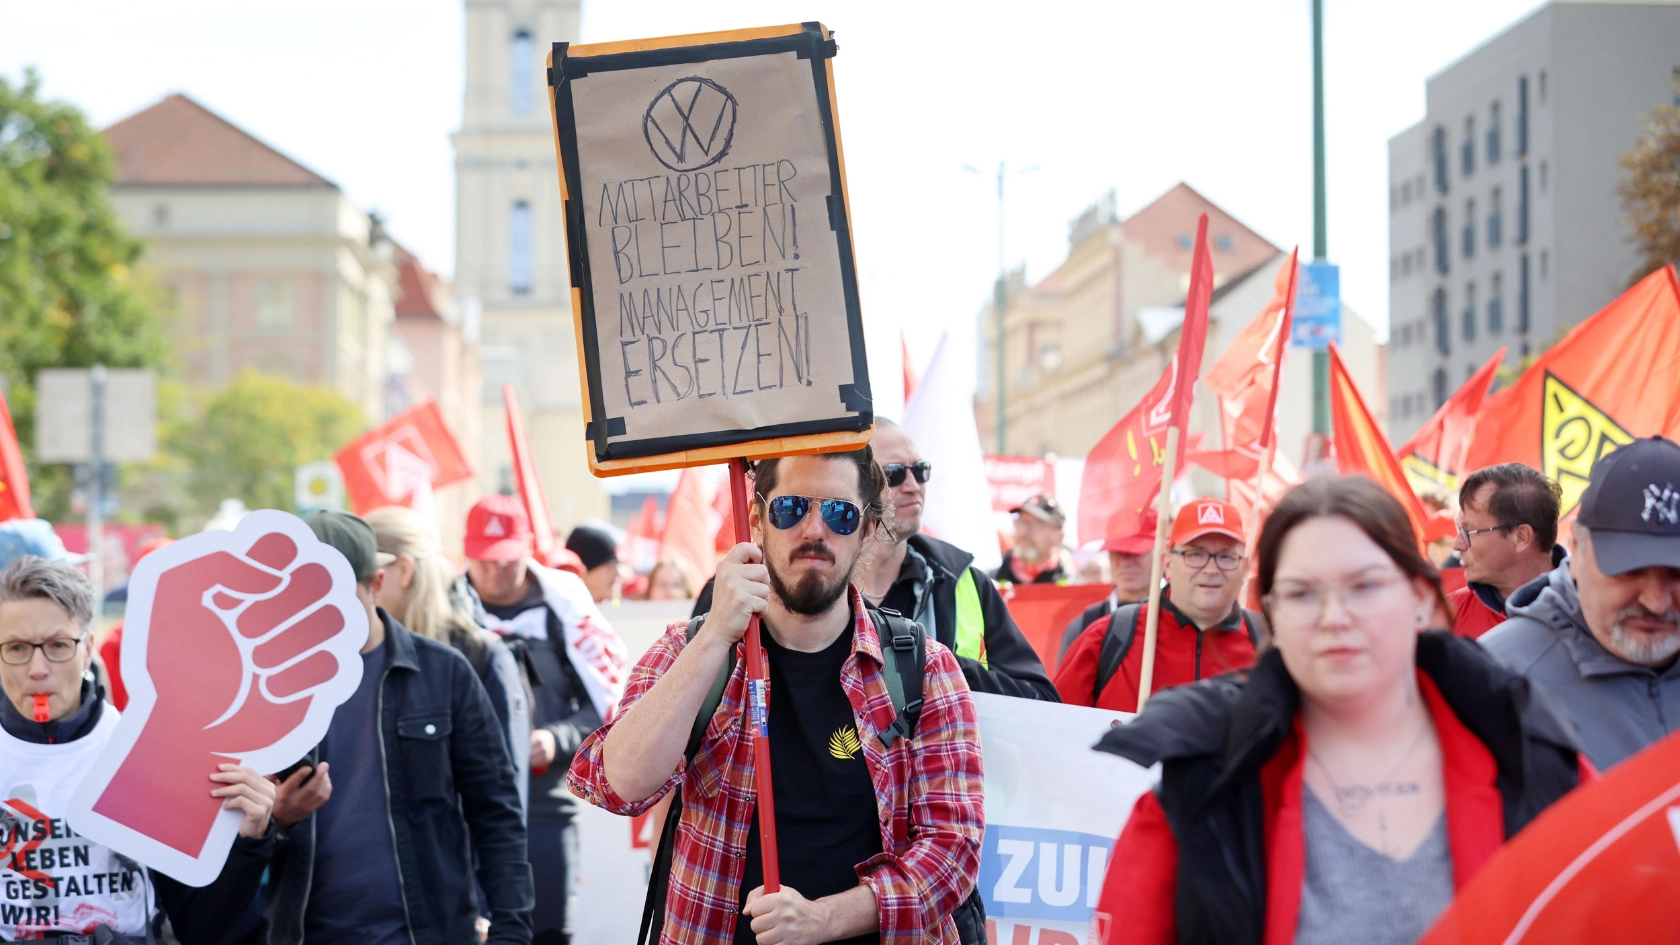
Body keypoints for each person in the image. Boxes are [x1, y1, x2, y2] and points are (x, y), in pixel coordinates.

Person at [1090, 476, 1586, 945]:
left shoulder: (1529, 754)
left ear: (1419, 598)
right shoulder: (1204, 787)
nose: (1334, 619)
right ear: (1273, 614)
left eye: (1364, 587)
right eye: (1301, 594)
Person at [568, 448, 984, 943]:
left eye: (840, 513)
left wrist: (821, 920)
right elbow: (618, 784)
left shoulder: (923, 667)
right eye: (790, 509)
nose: (813, 530)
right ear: (759, 522)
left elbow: (952, 851)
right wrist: (716, 634)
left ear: (868, 533)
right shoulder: (692, 648)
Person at [265, 510, 532, 945]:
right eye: (305, 597)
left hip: (428, 933)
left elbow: (496, 813)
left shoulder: (444, 673)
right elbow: (231, 843)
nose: (320, 612)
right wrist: (276, 818)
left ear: (376, 585)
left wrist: (510, 931)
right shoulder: (271, 688)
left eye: (335, 593)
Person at [0, 556, 276, 942]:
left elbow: (200, 925)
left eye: (58, 645)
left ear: (88, 648)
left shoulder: (143, 753)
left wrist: (247, 843)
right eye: (15, 649)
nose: (37, 669)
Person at [464, 495, 626, 945]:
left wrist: (556, 739)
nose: (496, 571)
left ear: (528, 548)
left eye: (507, 560)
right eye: (485, 560)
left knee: (548, 932)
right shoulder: (446, 612)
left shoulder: (565, 610)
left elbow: (608, 703)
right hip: (462, 810)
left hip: (545, 806)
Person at [1481, 436, 1680, 771]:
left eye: (1677, 575)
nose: (1657, 602)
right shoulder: (1494, 681)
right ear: (1576, 548)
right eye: (1629, 571)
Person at [852, 419, 1058, 701]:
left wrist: (943, 667)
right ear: (851, 485)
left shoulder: (965, 581)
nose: (913, 485)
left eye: (921, 471)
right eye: (894, 474)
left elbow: (1043, 699)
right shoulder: (822, 585)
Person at [366, 505, 533, 815]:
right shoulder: (362, 659)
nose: (356, 585)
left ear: (404, 570)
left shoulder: (482, 656)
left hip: (462, 863)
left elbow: (504, 809)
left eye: (364, 570)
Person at [1056, 498, 1263, 711]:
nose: (1211, 569)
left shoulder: (1270, 646)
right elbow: (1056, 731)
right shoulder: (1104, 638)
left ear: (1245, 567)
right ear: (1167, 563)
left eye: (1226, 556)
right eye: (1196, 554)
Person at [1445, 464, 1566, 639]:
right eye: (1459, 528)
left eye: (1468, 532)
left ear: (1521, 537)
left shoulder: (1593, 611)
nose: (1457, 545)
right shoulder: (1446, 617)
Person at [1058, 513, 1157, 661]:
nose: (1125, 562)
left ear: (1163, 554)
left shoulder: (1184, 620)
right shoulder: (1083, 628)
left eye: (1136, 551)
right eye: (1117, 552)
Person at [994, 493, 1071, 585]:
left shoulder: (1074, 585)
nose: (1024, 531)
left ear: (1059, 537)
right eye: (1021, 522)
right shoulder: (988, 584)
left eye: (1036, 525)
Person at [565, 525, 622, 604]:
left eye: (617, 566)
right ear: (583, 570)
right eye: (611, 566)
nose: (618, 574)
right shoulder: (559, 614)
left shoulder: (622, 612)